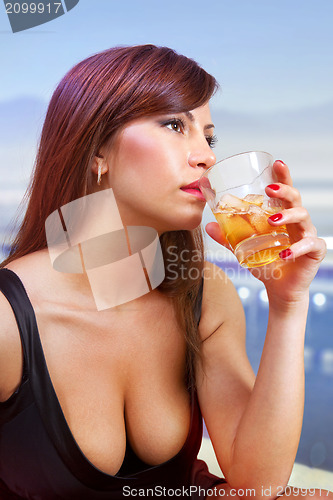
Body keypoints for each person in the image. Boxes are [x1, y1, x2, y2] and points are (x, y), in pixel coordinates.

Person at [0, 45, 331, 500]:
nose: (206, 157)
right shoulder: (9, 320)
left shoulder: (202, 296)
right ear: (97, 148)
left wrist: (288, 304)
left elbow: (258, 485)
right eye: (175, 124)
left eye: (208, 137)